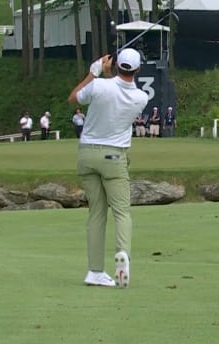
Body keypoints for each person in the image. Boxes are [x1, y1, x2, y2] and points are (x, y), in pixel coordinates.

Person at [68, 49, 148, 288]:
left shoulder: (99, 86)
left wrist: (93, 73)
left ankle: (94, 271)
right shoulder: (141, 98)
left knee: (96, 213)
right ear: (137, 69)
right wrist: (104, 74)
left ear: (117, 65)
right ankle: (123, 255)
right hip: (114, 156)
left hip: (86, 154)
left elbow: (73, 98)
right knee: (122, 212)